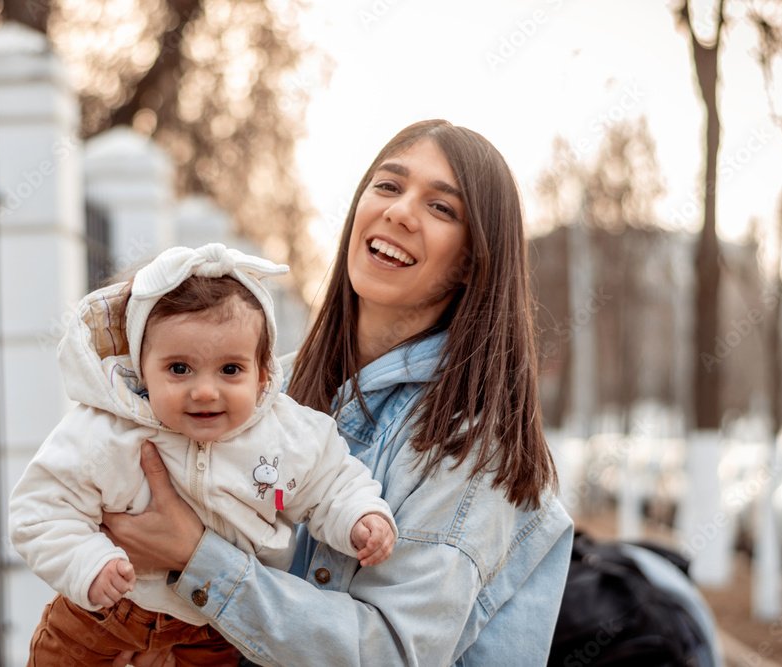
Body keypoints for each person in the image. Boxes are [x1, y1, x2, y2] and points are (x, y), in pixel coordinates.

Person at [101, 119, 575, 667]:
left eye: (441, 208)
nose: (400, 211)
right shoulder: (273, 389)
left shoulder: (467, 443)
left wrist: (196, 558)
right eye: (389, 186)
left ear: (472, 260)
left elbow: (392, 652)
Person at [10, 244, 398, 666]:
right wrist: (88, 562)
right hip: (103, 614)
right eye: (179, 368)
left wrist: (361, 516)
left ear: (262, 373)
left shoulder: (291, 435)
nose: (205, 391)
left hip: (217, 626)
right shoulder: (103, 430)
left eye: (230, 370)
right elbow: (40, 510)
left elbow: (333, 484)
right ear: (142, 367)